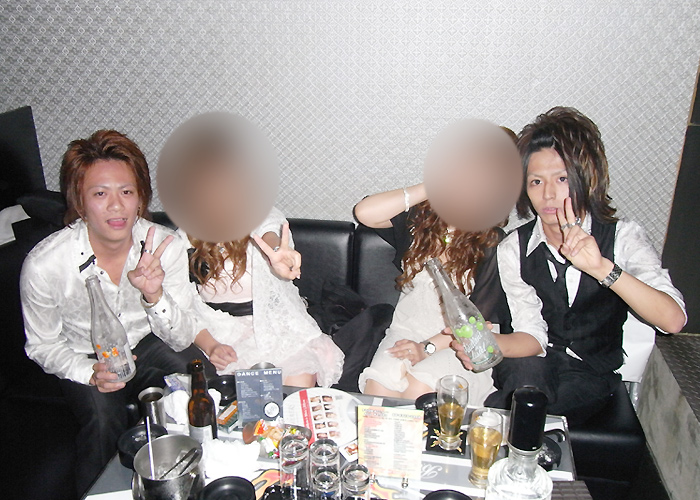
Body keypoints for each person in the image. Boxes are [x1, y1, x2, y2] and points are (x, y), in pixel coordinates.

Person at [456, 107, 686, 425]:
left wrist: (601, 268)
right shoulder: (514, 248)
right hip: (531, 361)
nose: (548, 194)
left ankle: (504, 430)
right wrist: (488, 343)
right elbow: (532, 336)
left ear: (586, 179)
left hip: (589, 372)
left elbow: (673, 320)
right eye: (536, 181)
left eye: (562, 179)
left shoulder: (622, 237)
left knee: (524, 408)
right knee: (526, 386)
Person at [21, 130, 210, 494]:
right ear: (79, 202)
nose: (116, 206)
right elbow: (41, 345)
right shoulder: (45, 265)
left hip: (147, 341)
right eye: (100, 194)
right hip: (86, 355)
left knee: (201, 377)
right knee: (101, 422)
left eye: (126, 192)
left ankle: (202, 474)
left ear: (140, 198)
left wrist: (154, 296)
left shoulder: (164, 246)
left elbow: (183, 336)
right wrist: (88, 372)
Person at [355, 182, 540, 403]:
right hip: (405, 331)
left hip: (459, 343)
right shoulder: (420, 224)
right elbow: (365, 212)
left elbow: (477, 322)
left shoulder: (492, 242)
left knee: (420, 391)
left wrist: (427, 347)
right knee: (377, 392)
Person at [185, 207, 345, 388]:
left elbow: (269, 231)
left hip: (274, 324)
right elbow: (183, 306)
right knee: (240, 392)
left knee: (299, 381)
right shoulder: (184, 237)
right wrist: (211, 346)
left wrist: (277, 252)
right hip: (217, 330)